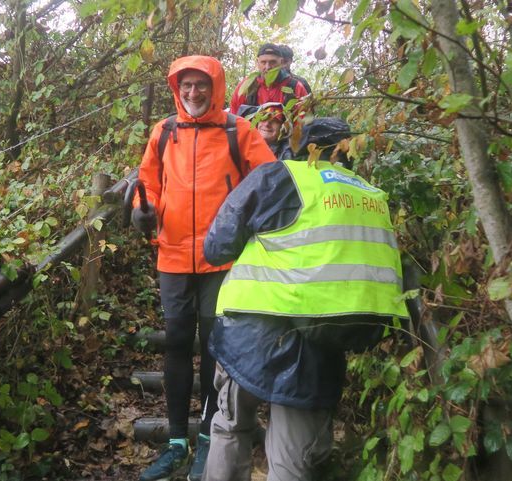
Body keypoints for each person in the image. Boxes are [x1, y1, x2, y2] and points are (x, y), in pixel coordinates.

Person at [201, 157, 410, 480]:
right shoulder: (372, 195)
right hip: (326, 337)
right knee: (292, 457)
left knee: (231, 427)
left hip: (253, 329)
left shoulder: (280, 175)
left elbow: (217, 247)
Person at [131, 55, 276, 481]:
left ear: (215, 87)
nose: (192, 93)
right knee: (177, 340)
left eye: (200, 85)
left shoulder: (238, 130)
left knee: (213, 343)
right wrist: (147, 209)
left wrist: (247, 222)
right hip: (173, 254)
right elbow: (149, 182)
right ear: (177, 89)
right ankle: (177, 440)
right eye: (186, 86)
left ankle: (210, 438)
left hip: (222, 256)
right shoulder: (164, 132)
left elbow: (268, 180)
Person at [230, 43, 309, 115]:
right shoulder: (247, 85)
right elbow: (235, 115)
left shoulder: (295, 87)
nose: (267, 67)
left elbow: (303, 121)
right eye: (263, 62)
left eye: (273, 62)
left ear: (281, 62)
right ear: (257, 62)